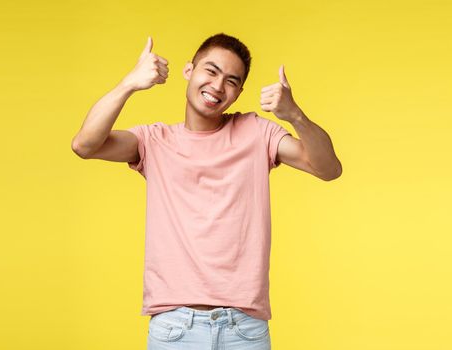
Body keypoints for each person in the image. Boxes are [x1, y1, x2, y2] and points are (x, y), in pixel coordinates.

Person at [71, 32, 342, 349]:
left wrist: (294, 115)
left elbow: (328, 169)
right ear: (189, 71)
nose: (217, 86)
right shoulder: (154, 141)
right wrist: (129, 83)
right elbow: (84, 145)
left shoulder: (257, 132)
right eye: (210, 71)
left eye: (231, 81)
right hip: (175, 328)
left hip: (245, 330)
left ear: (238, 93)